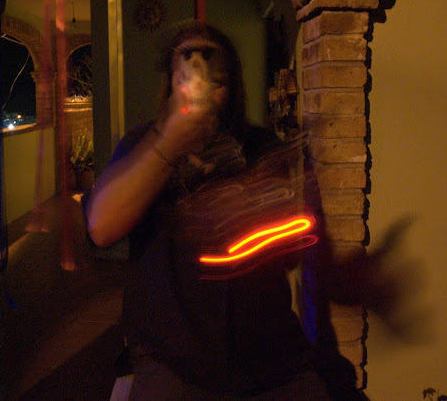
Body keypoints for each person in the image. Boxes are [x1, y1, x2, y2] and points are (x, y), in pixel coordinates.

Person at [86, 21, 337, 399]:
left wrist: (254, 212)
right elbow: (102, 227)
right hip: (174, 361)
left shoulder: (262, 146)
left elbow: (290, 253)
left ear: (233, 87)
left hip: (272, 359)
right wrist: (170, 142)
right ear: (170, 86)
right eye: (186, 79)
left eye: (215, 82)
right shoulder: (142, 144)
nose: (200, 92)